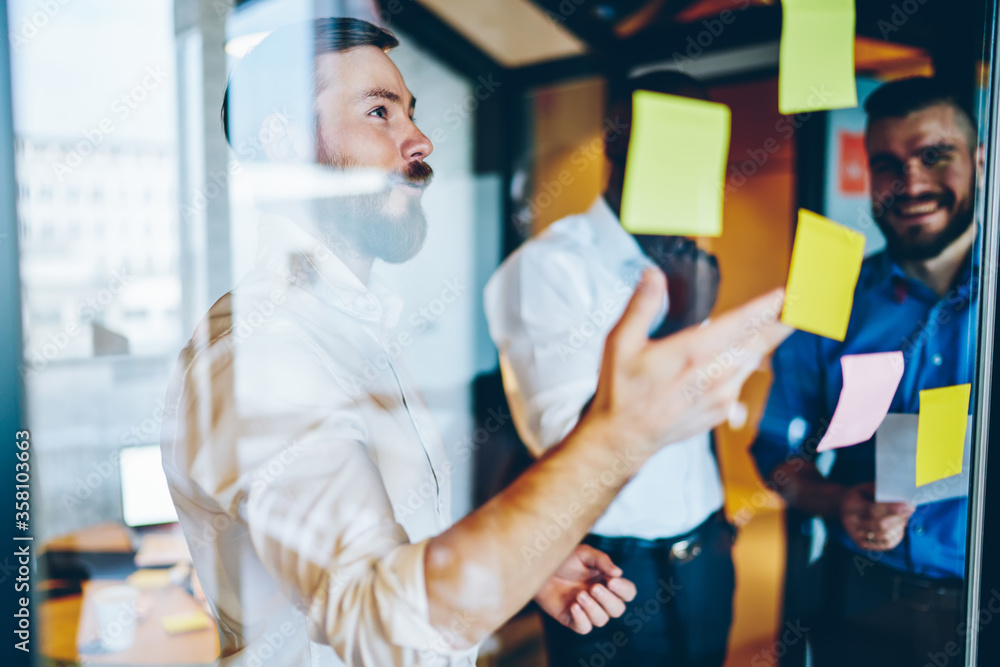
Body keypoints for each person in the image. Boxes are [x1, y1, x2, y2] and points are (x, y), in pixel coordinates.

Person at [160, 18, 790, 666]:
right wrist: (623, 431)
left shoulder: (355, 326)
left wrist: (520, 561)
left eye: (410, 112)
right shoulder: (259, 353)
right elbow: (373, 615)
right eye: (379, 112)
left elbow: (397, 540)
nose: (420, 139)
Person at [485, 71, 737, 667]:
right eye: (677, 137)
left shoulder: (687, 261)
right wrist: (677, 329)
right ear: (620, 138)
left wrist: (720, 523)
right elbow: (566, 442)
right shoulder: (549, 269)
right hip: (610, 566)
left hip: (705, 549)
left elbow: (696, 419)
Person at [751, 76, 981, 667]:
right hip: (859, 602)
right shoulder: (829, 296)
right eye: (887, 164)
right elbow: (776, 450)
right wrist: (833, 501)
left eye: (935, 155)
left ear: (980, 162)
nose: (912, 183)